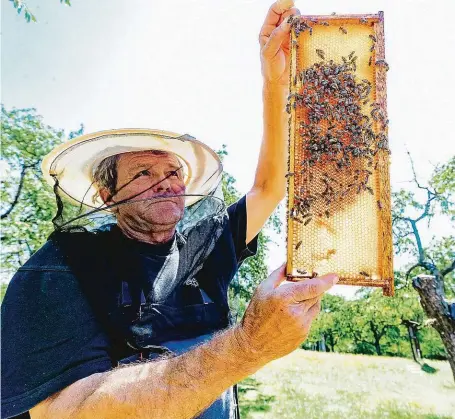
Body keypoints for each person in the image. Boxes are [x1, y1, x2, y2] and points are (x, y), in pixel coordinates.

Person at [1, 1, 339, 418]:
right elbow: (65, 411)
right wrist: (249, 345)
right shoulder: (62, 268)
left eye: (174, 171)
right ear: (107, 195)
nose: (167, 182)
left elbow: (268, 188)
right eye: (143, 172)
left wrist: (275, 82)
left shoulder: (206, 246)